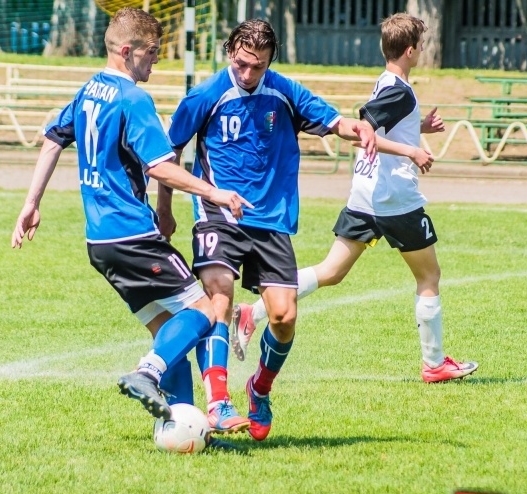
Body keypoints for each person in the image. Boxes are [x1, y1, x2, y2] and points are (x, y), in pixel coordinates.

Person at [11, 8, 251, 424]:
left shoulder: (89, 90)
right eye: (152, 52)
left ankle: (177, 419)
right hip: (132, 233)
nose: (157, 60)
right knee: (208, 309)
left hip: (99, 243)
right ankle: (147, 373)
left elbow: (52, 141)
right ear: (127, 51)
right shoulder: (133, 98)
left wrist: (31, 204)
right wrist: (213, 191)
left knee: (167, 331)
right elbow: (160, 165)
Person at [231, 13, 479, 385]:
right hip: (394, 198)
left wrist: (418, 128)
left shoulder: (387, 82)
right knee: (430, 275)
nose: (423, 51)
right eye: (422, 46)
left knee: (332, 272)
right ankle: (434, 364)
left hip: (364, 195)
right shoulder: (397, 89)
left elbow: (382, 124)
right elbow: (366, 128)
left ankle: (252, 312)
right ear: (410, 51)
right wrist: (412, 152)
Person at [162, 19, 377, 441]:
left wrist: (361, 127)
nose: (247, 74)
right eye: (241, 64)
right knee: (218, 296)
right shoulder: (205, 95)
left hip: (272, 219)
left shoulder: (284, 92)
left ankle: (258, 387)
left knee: (283, 316)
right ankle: (218, 403)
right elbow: (170, 153)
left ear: (269, 62)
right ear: (229, 53)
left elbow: (335, 123)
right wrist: (165, 209)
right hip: (218, 212)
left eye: (256, 67)